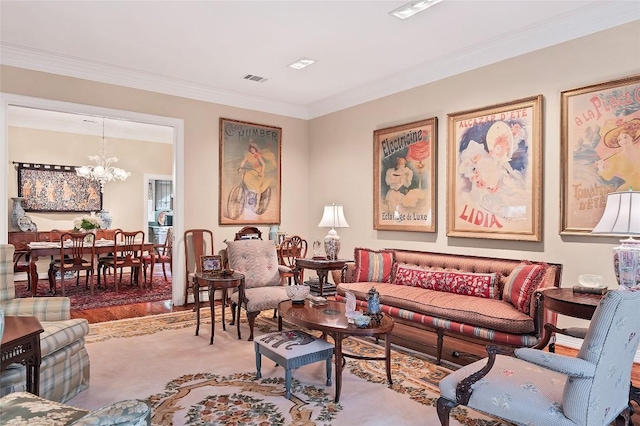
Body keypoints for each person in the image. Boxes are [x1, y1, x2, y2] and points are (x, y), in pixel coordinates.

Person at [596, 118, 640, 190]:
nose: (623, 141)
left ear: (632, 136)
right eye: (619, 140)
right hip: (631, 189)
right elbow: (608, 176)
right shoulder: (616, 158)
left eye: (625, 137)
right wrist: (601, 168)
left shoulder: (639, 149)